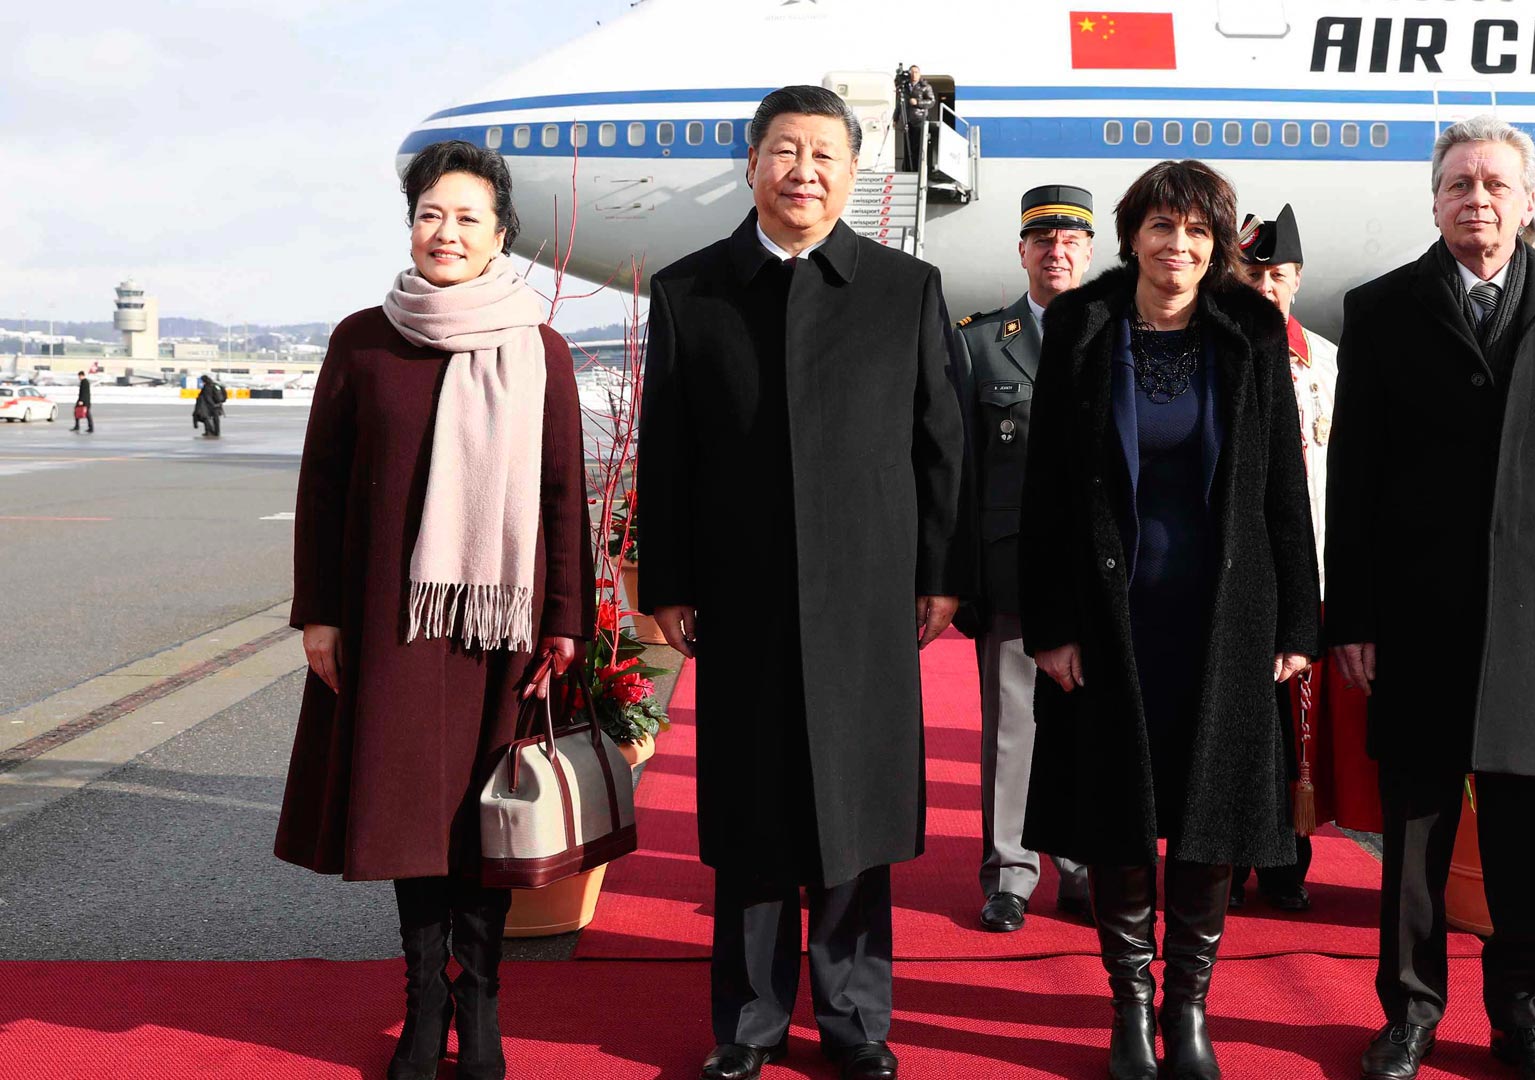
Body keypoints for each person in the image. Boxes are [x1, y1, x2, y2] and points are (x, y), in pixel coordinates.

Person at [633, 85, 966, 1080]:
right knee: (753, 809)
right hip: (741, 596)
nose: (803, 172)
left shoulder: (905, 288)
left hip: (867, 594)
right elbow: (667, 450)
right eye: (785, 151)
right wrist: (669, 579)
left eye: (825, 155)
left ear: (854, 174)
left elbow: (940, 444)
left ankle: (857, 1019)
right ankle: (749, 1022)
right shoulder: (691, 290)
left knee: (855, 810)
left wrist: (940, 573)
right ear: (752, 164)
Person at [1324, 115, 1535, 1080]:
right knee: (1415, 832)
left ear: (1526, 200)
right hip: (1415, 611)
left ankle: (1524, 1017)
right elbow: (1354, 478)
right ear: (1435, 201)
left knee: (1523, 830)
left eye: (1496, 184)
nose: (1478, 199)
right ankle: (1410, 1014)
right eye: (1459, 183)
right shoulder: (1381, 309)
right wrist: (1354, 616)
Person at [273, 139, 590, 1080]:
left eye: (466, 218)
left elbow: (563, 494)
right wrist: (319, 614)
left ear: (501, 234)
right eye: (429, 215)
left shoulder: (538, 347)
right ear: (410, 226)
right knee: (413, 815)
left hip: (503, 626)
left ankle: (480, 1001)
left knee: (488, 818)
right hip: (392, 623)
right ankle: (423, 1002)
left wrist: (566, 618)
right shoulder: (362, 339)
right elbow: (322, 486)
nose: (445, 233)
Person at [1020, 159, 1320, 1080]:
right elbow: (1045, 491)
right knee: (1118, 814)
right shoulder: (1081, 326)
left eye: (1196, 231)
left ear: (1218, 242)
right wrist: (1050, 624)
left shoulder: (1252, 330)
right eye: (1161, 227)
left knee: (1208, 815)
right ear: (1132, 236)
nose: (1177, 246)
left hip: (1226, 616)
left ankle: (1189, 1006)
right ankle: (1130, 1005)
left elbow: (1282, 485)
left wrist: (1297, 623)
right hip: (1111, 619)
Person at [951, 184, 1097, 933]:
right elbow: (961, 468)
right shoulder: (980, 342)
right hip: (1010, 568)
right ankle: (1010, 873)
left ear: (1090, 252)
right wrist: (959, 573)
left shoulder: (1122, 333)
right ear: (1022, 251)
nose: (1056, 253)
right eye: (1044, 241)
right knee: (1012, 726)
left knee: (1091, 726)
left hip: (1100, 574)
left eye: (1070, 241)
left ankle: (1082, 868)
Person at [1229, 206, 1383, 913]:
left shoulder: (1326, 360)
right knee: (1239, 725)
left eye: (1278, 275)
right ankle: (1229, 857)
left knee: (1301, 733)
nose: (1266, 287)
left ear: (1296, 280)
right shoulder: (1210, 351)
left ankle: (1288, 863)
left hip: (1309, 569)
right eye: (1253, 274)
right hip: (1236, 574)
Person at [902, 65, 935, 173]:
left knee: (918, 146)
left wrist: (918, 102)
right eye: (912, 72)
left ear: (919, 74)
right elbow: (900, 103)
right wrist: (896, 117)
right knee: (908, 146)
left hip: (919, 119)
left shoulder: (925, 86)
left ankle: (917, 169)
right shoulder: (905, 87)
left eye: (916, 72)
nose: (914, 74)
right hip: (907, 119)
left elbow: (932, 101)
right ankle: (908, 169)